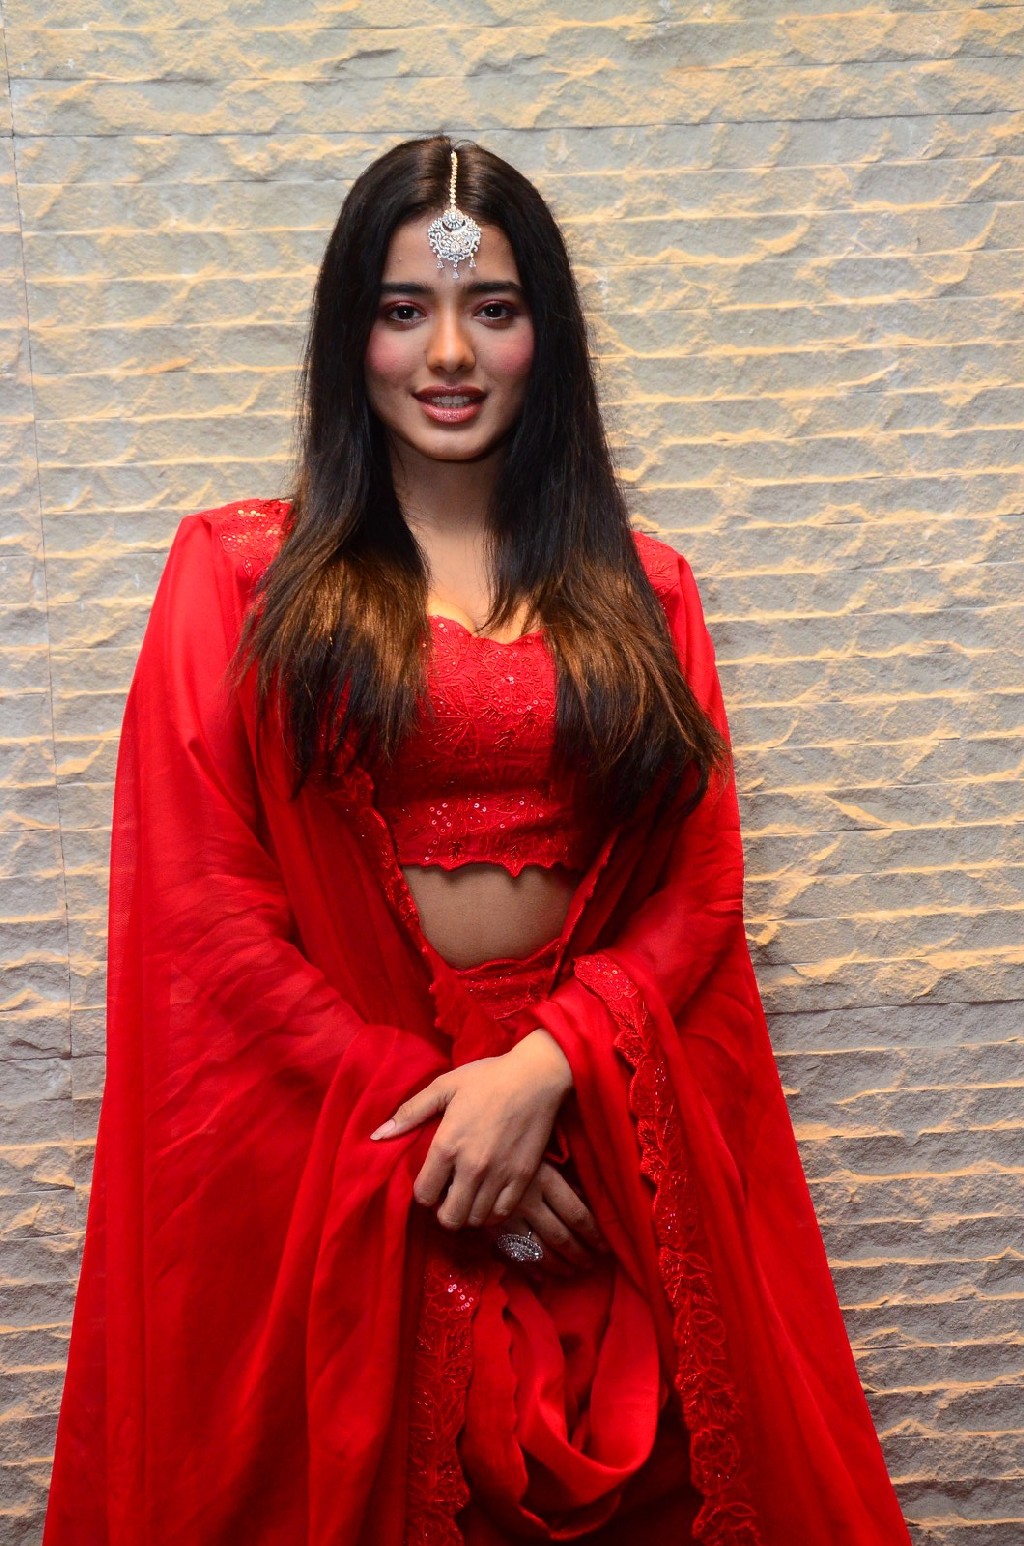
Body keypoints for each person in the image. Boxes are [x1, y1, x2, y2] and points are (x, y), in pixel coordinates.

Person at [43, 135, 912, 1545]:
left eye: (491, 309)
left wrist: (546, 1073)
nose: (448, 353)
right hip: (355, 1128)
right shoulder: (246, 579)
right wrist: (437, 1121)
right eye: (405, 310)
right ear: (353, 334)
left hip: (600, 1132)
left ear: (542, 334)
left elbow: (698, 892)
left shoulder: (644, 590)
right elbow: (204, 905)